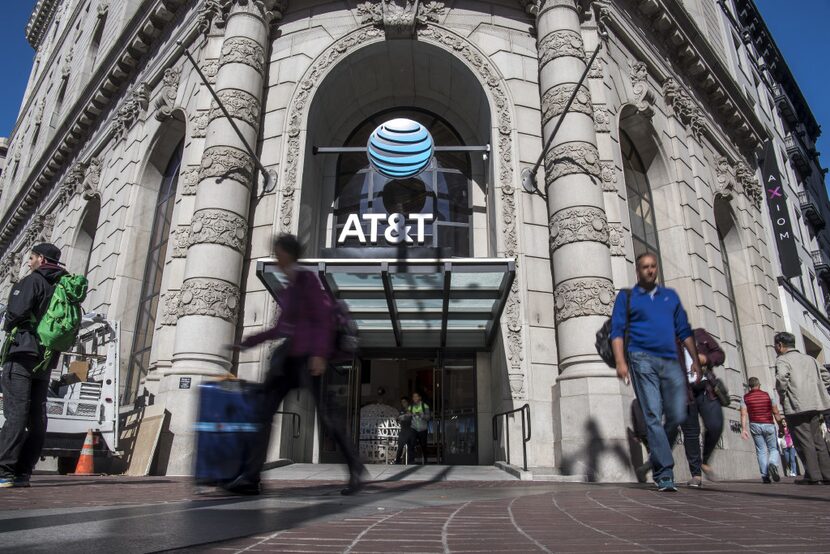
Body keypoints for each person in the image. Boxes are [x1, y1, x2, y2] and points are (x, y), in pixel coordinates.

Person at [233, 234, 366, 495]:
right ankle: (250, 478)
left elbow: (322, 318)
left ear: (286, 253)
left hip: (308, 358)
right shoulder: (290, 288)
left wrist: (319, 354)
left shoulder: (306, 280)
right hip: (289, 359)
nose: (275, 256)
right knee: (264, 413)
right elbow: (281, 328)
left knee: (327, 416)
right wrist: (248, 342)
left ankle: (354, 467)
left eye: (277, 251)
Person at [611, 252, 701, 492]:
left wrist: (696, 361)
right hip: (641, 359)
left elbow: (683, 329)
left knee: (676, 414)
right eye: (645, 267)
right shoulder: (626, 297)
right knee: (652, 412)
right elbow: (617, 330)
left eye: (653, 266)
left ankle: (657, 460)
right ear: (637, 271)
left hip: (669, 360)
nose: (650, 270)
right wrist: (620, 361)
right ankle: (664, 472)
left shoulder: (669, 297)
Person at [0, 244, 68, 488]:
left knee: (15, 413)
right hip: (45, 357)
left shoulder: (32, 281)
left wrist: (9, 322)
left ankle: (4, 470)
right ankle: (23, 472)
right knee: (37, 417)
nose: (29, 262)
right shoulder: (61, 285)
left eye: (31, 258)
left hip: (22, 352)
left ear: (40, 258)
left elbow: (15, 314)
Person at [773, 331, 830, 485]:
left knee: (803, 440)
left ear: (780, 345)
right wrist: (820, 390)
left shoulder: (783, 360)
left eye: (775, 346)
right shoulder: (810, 359)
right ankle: (826, 474)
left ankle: (813, 475)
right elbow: (826, 376)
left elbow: (782, 378)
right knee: (818, 439)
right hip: (815, 403)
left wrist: (782, 394)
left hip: (796, 405)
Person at [680, 328, 725, 488]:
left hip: (706, 389)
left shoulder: (699, 335)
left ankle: (705, 459)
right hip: (684, 392)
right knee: (690, 433)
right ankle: (696, 474)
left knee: (715, 425)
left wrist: (704, 358)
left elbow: (720, 354)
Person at [740, 377, 784, 483]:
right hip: (768, 424)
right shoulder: (768, 395)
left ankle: (765, 476)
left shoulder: (745, 397)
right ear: (759, 385)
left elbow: (743, 414)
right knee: (773, 449)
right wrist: (781, 426)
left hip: (755, 425)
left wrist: (744, 429)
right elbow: (776, 412)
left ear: (749, 386)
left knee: (761, 451)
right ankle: (773, 464)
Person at [409, 392, 431, 465]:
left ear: (419, 398)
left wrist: (421, 415)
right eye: (413, 397)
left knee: (423, 445)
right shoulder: (410, 407)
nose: (414, 398)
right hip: (414, 428)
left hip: (423, 429)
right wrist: (407, 415)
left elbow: (428, 418)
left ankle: (425, 460)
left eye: (416, 396)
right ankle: (411, 460)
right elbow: (407, 416)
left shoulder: (425, 406)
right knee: (412, 444)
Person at [394, 396, 413, 464]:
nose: (403, 403)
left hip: (410, 431)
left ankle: (411, 462)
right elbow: (397, 419)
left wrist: (403, 417)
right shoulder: (401, 411)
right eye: (402, 402)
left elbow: (410, 417)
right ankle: (397, 462)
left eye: (404, 402)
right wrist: (399, 419)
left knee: (411, 448)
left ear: (408, 402)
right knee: (400, 448)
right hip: (403, 431)